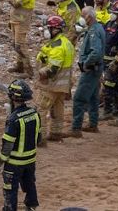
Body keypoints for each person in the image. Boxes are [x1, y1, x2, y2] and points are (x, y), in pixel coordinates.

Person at [0, 80, 41, 211]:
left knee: (10, 189)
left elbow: (8, 144)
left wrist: (1, 160)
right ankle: (31, 207)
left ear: (13, 98)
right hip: (30, 160)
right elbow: (39, 138)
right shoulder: (35, 113)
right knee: (30, 185)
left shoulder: (13, 119)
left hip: (14, 162)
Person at [34, 15, 74, 143]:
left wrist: (40, 73)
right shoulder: (66, 43)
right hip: (62, 85)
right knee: (57, 109)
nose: (46, 30)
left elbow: (52, 70)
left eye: (49, 28)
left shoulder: (57, 46)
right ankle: (56, 133)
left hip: (51, 85)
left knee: (40, 109)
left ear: (56, 30)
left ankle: (39, 137)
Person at [71, 7, 108, 136]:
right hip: (96, 69)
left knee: (79, 99)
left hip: (91, 70)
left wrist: (86, 63)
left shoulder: (93, 31)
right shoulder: (97, 28)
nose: (81, 18)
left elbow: (96, 52)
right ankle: (93, 124)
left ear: (89, 17)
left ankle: (76, 128)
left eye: (83, 15)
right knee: (93, 97)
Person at [101, 0, 118, 124]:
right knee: (113, 85)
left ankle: (109, 110)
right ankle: (114, 109)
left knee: (110, 85)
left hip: (115, 63)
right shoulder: (109, 23)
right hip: (106, 59)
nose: (112, 14)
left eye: (115, 13)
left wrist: (116, 62)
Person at [6, 0, 37, 75]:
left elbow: (15, 4)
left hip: (21, 22)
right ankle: (19, 66)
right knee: (16, 45)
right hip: (16, 20)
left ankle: (28, 71)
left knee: (20, 46)